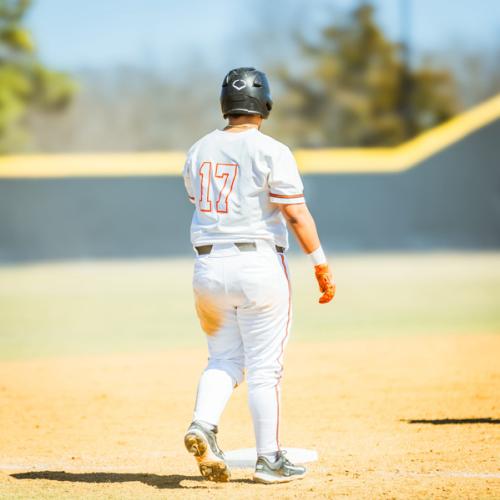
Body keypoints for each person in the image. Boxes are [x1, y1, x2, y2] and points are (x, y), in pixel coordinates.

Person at [182, 67, 335, 484]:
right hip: (258, 265)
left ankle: (203, 424)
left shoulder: (197, 150)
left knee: (224, 358)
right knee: (264, 369)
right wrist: (320, 263)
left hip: (208, 267)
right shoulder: (273, 150)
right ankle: (269, 459)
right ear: (265, 103)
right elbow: (296, 213)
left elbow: (197, 198)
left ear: (224, 105)